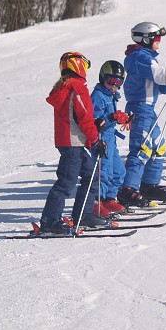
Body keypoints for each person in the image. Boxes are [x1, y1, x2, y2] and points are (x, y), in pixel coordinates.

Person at [119, 22, 166, 205]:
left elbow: (158, 85)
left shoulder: (144, 57)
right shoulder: (140, 57)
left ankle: (149, 185)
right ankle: (128, 189)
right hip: (140, 109)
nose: (159, 42)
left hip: (148, 110)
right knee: (142, 149)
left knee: (158, 148)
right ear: (146, 39)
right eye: (157, 38)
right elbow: (164, 76)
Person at [39, 52, 108, 234]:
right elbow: (84, 117)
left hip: (71, 141)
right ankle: (50, 222)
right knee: (66, 183)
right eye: (85, 66)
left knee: (91, 175)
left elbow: (76, 117)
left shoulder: (65, 87)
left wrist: (94, 126)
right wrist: (95, 140)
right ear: (79, 66)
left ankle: (83, 215)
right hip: (74, 143)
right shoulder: (77, 87)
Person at [90, 61, 131, 217]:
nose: (114, 85)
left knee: (119, 171)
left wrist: (123, 118)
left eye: (118, 82)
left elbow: (110, 118)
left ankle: (109, 198)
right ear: (102, 78)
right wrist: (112, 117)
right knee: (104, 171)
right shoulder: (98, 95)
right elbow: (94, 120)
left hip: (110, 138)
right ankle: (96, 202)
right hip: (101, 138)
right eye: (111, 81)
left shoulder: (111, 95)